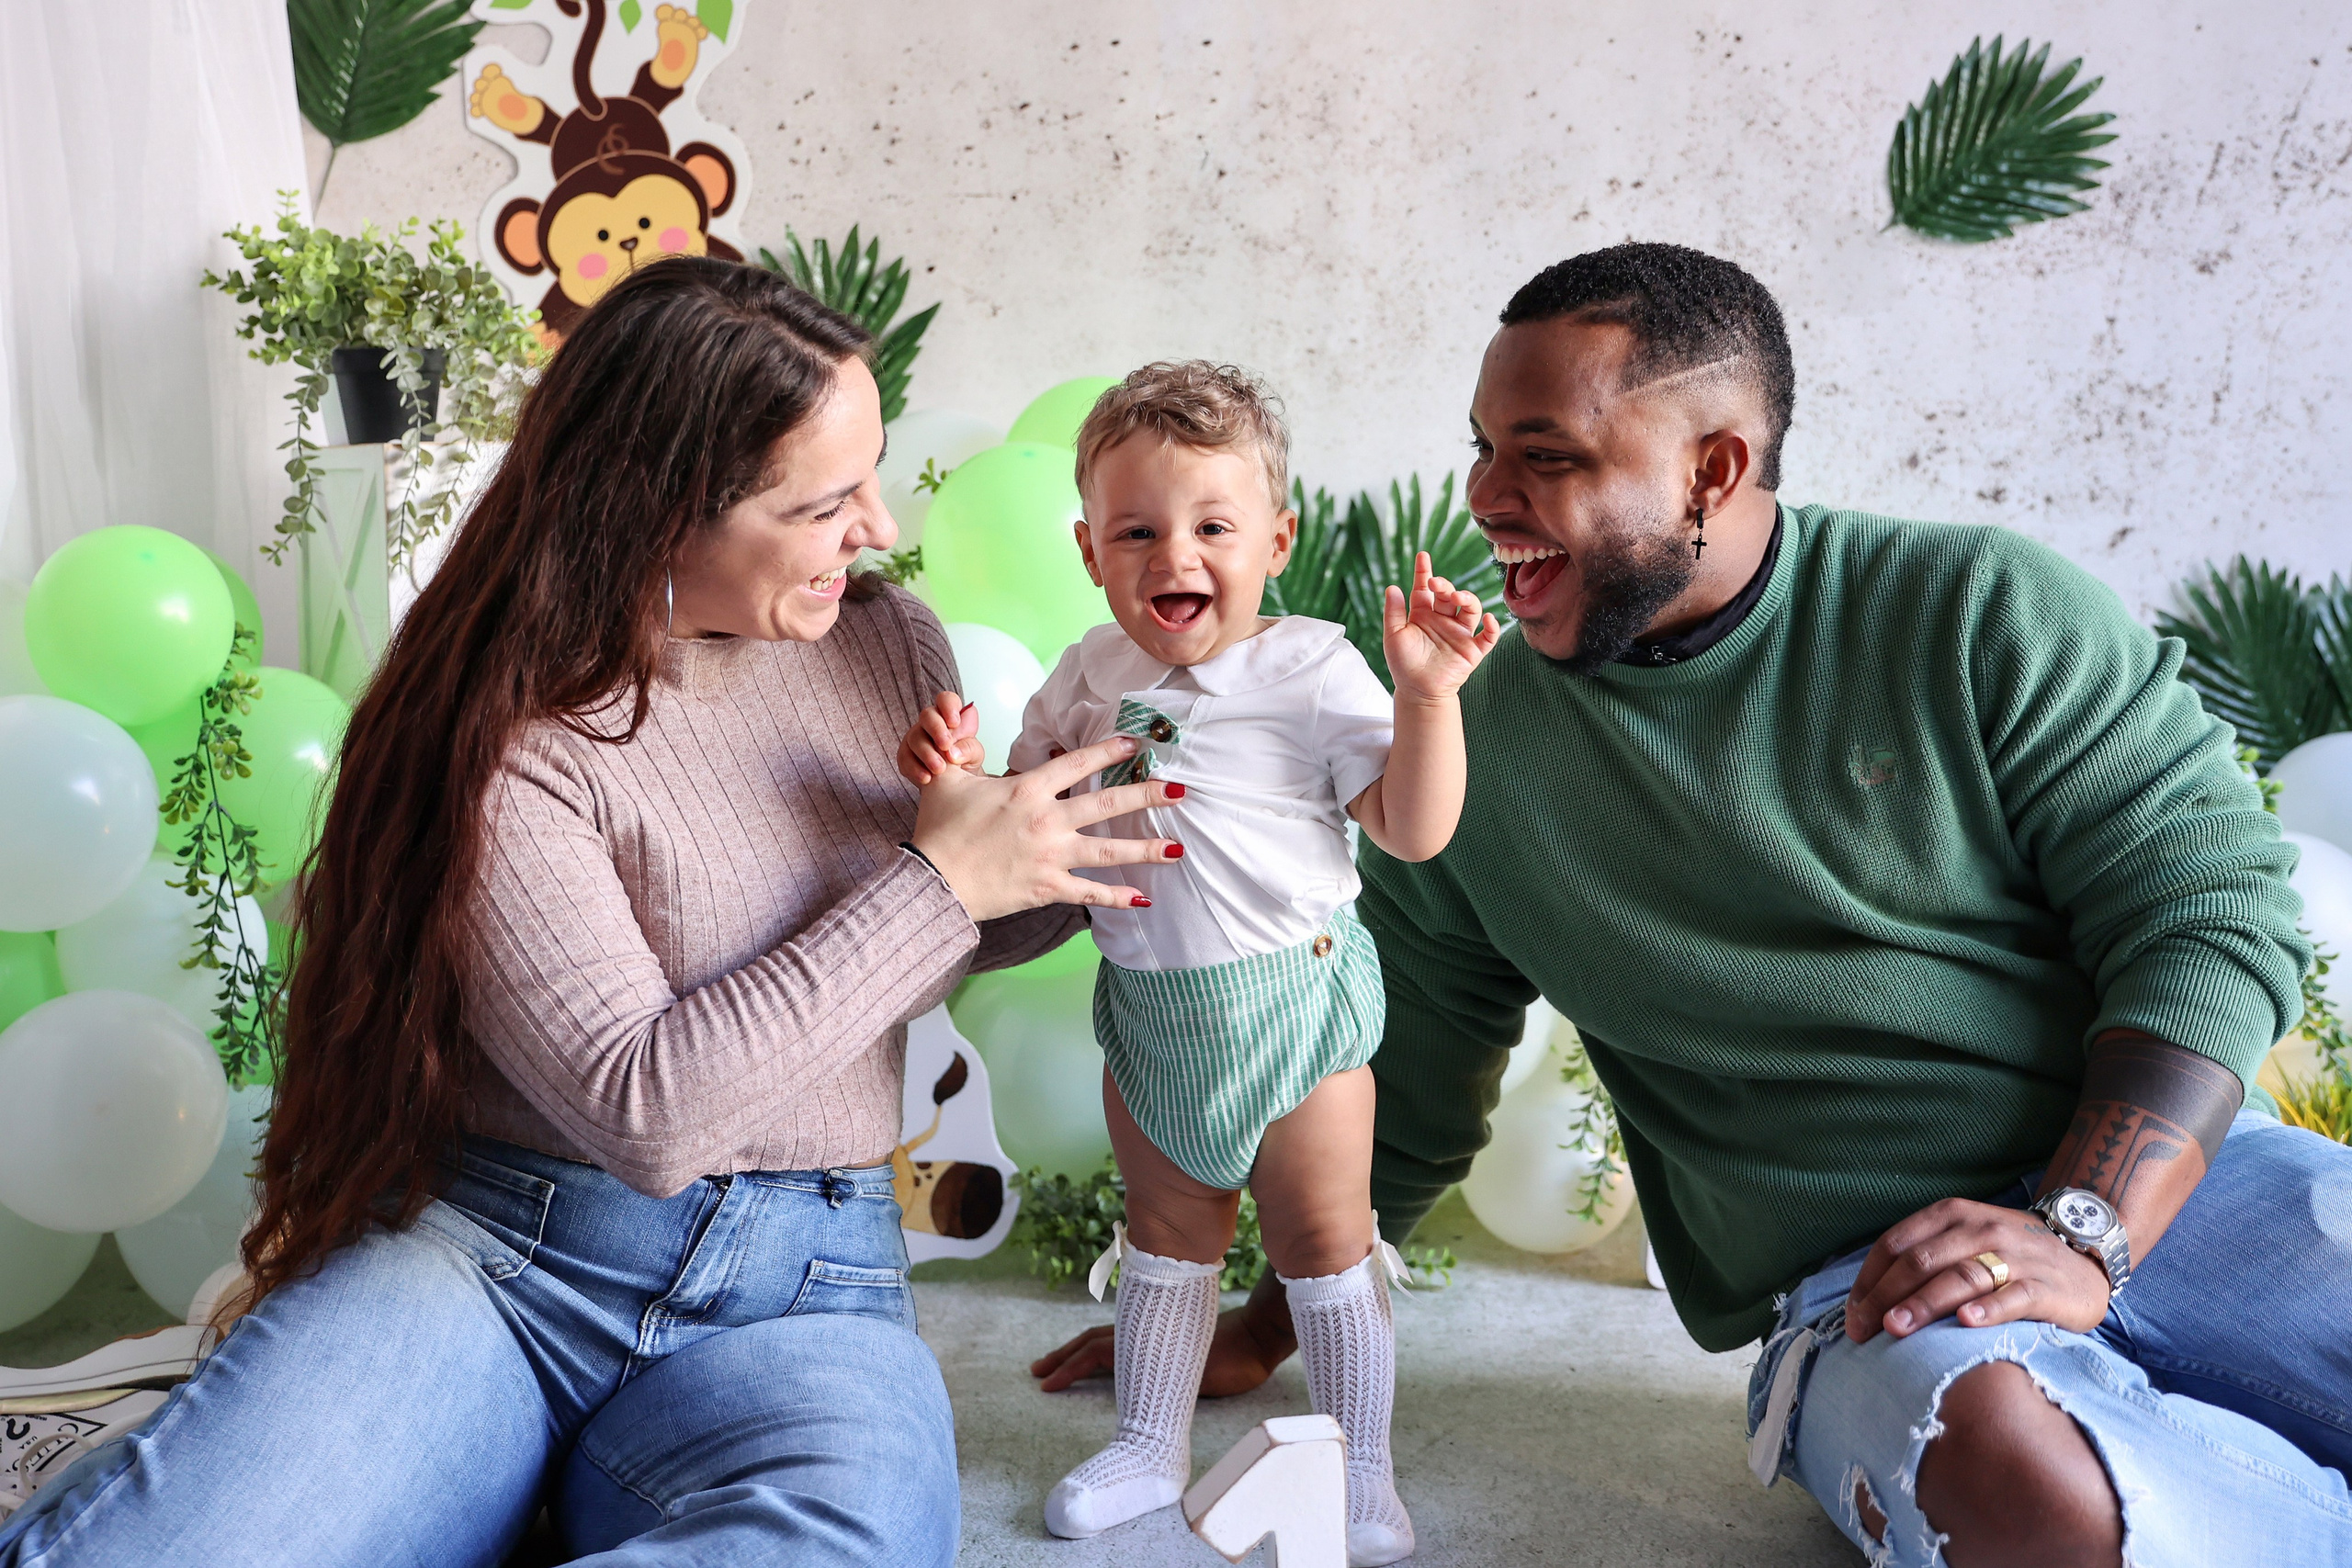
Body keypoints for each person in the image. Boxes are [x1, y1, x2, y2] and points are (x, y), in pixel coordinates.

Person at [1035, 243, 2352, 1567]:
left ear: (1711, 471)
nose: (1485, 497)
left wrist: (2083, 1225)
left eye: (1544, 456)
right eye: (1483, 448)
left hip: (2182, 1196)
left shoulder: (1978, 611)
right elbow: (1410, 1066)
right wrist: (1260, 1326)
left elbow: (2207, 910)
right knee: (2033, 1500)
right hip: (1873, 1290)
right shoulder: (1465, 754)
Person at [0, 256, 1184, 1568]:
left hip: (804, 1291)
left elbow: (925, 942)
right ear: (664, 509)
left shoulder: (882, 641)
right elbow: (648, 1110)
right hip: (500, 1267)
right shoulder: (508, 737)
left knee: (848, 1547)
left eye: (875, 472)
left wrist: (1065, 855)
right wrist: (943, 882)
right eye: (825, 500)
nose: (882, 526)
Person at [902, 362, 1498, 1563]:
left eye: (1213, 525)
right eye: (1138, 529)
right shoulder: (1086, 677)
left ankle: (1361, 1469)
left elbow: (1413, 827)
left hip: (1296, 1014)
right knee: (1168, 1237)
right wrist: (957, 782)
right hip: (1154, 1015)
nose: (1176, 552)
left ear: (1274, 538)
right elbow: (1026, 821)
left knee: (1324, 1244)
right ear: (1089, 550)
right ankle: (1147, 1446)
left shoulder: (1312, 670)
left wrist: (1429, 699)